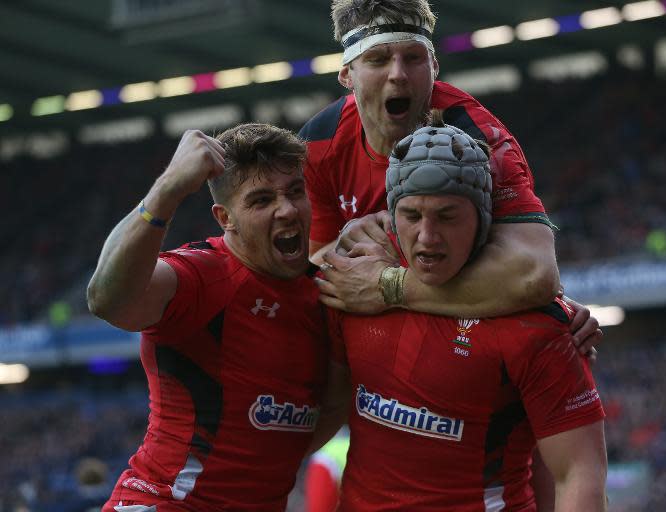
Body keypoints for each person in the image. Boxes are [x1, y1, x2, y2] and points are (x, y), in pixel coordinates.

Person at [319, 118, 608, 511]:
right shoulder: (353, 289)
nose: (427, 236)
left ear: (483, 220)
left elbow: (578, 473)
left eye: (448, 216)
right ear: (389, 215)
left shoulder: (540, 326)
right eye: (412, 215)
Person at [300, 0, 602, 356]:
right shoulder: (317, 144)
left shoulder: (480, 139)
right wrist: (344, 245)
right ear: (346, 75)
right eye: (378, 60)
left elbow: (534, 275)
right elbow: (313, 264)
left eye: (413, 58)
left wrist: (390, 285)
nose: (398, 74)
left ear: (434, 66)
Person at [86, 124, 328, 511]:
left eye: (295, 192)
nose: (286, 209)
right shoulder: (203, 275)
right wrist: (168, 189)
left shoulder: (323, 294)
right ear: (225, 218)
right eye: (262, 200)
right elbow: (106, 300)